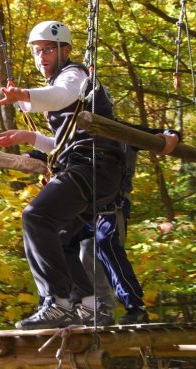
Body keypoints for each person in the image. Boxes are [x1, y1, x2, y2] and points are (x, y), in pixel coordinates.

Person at [0, 20, 138, 329]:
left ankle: (56, 301)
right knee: (61, 236)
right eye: (36, 51)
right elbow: (63, 143)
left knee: (35, 217)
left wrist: (25, 94)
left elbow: (59, 95)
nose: (41, 56)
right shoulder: (63, 84)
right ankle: (87, 304)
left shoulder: (74, 75)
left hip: (94, 166)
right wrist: (30, 138)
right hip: (93, 169)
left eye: (48, 50)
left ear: (65, 50)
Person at [65, 126, 180, 325]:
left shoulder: (123, 130)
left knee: (107, 243)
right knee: (63, 241)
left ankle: (134, 306)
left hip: (112, 203)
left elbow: (162, 133)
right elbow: (51, 148)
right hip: (84, 206)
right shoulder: (74, 131)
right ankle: (83, 306)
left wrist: (172, 135)